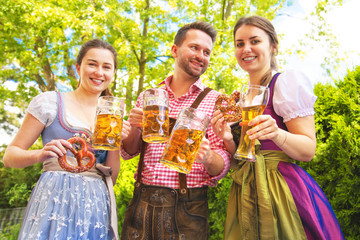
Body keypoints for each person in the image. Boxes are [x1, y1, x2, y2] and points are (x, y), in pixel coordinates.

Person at [211, 16, 344, 240]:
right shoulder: (241, 98)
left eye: (255, 41)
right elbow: (240, 161)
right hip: (246, 192)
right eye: (239, 43)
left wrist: (278, 134)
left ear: (273, 46)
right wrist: (227, 139)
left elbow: (308, 150)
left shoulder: (285, 83)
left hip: (282, 191)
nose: (246, 49)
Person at [120, 21, 231, 239]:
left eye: (206, 52)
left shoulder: (217, 100)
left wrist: (208, 157)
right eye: (194, 47)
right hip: (141, 202)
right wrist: (133, 129)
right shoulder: (149, 95)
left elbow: (223, 162)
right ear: (174, 50)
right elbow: (130, 151)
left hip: (188, 209)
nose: (201, 55)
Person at [3, 39, 122, 240]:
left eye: (106, 67)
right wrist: (39, 154)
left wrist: (116, 142)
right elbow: (9, 156)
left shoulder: (112, 116)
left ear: (112, 73)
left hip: (96, 205)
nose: (99, 72)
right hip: (54, 201)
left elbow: (112, 177)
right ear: (78, 67)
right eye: (92, 64)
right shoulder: (50, 102)